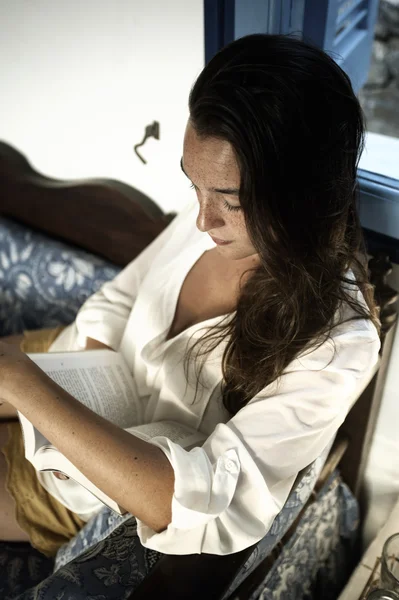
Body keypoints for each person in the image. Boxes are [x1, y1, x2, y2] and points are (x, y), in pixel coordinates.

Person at [0, 33, 381, 562]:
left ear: (303, 197)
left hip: (75, 482)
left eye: (229, 201)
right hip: (69, 361)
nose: (202, 220)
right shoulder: (209, 217)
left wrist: (24, 384)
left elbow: (207, 503)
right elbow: (118, 296)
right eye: (194, 186)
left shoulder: (338, 344)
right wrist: (80, 373)